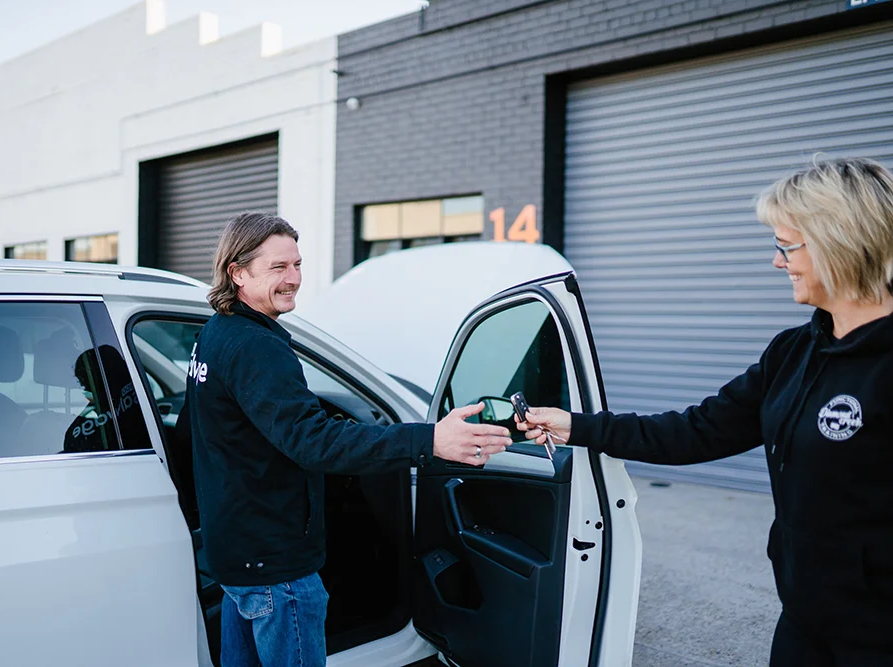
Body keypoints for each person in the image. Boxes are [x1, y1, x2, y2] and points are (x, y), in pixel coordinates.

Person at [517, 156, 893, 667]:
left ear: (840, 242)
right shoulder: (793, 352)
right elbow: (697, 431)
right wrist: (575, 426)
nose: (777, 262)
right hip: (806, 619)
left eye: (786, 246)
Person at [188, 211, 513, 667]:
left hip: (236, 553)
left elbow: (203, 429)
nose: (293, 278)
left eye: (297, 264)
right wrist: (430, 440)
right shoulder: (255, 345)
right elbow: (313, 441)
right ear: (237, 272)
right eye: (278, 268)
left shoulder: (215, 333)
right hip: (275, 566)